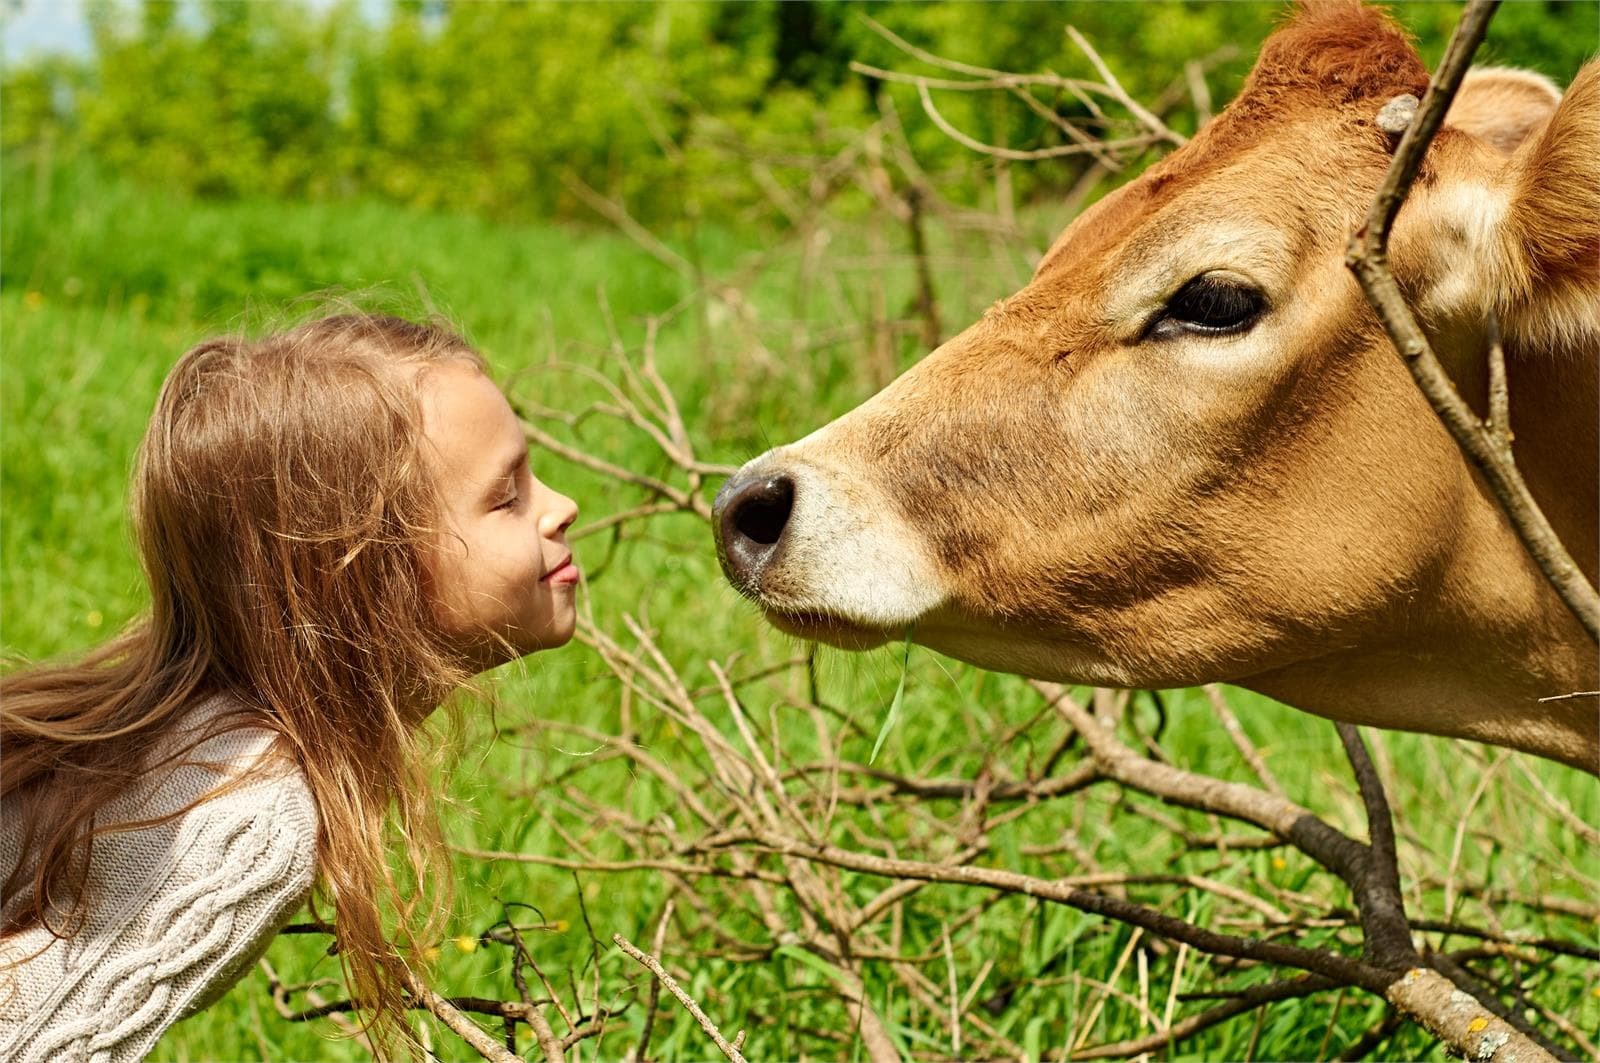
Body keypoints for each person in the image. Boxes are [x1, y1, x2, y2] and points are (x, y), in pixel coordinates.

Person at [0, 313, 580, 1060]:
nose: (562, 506)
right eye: (506, 496)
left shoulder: (207, 735)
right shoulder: (250, 820)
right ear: (364, 572)